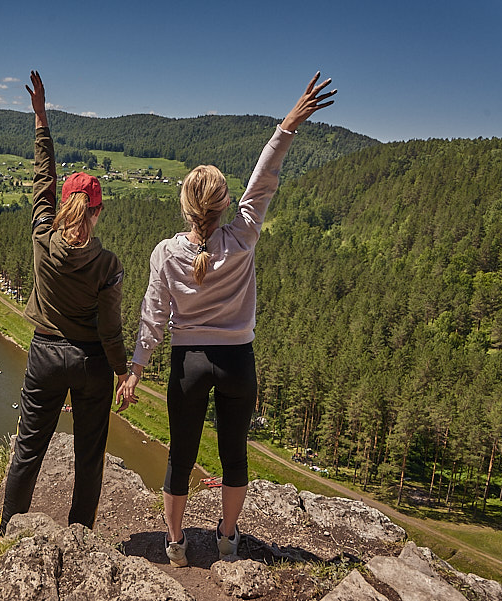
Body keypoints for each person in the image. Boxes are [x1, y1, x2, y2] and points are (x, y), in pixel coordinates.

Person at [117, 73, 336, 566]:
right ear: (222, 205)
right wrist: (287, 126)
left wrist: (135, 371)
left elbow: (154, 316)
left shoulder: (166, 254)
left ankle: (175, 546)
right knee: (234, 455)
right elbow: (263, 183)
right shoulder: (242, 239)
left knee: (180, 455)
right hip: (238, 362)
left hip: (188, 363)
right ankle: (228, 538)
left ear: (186, 206)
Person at [0, 71, 129, 537]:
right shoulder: (107, 263)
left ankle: (7, 528)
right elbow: (110, 328)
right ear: (96, 211)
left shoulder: (41, 238)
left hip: (46, 355)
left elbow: (43, 180)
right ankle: (80, 537)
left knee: (29, 447)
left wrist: (40, 118)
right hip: (92, 362)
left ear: (64, 206)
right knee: (89, 455)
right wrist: (123, 371)